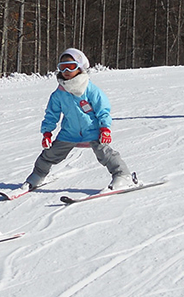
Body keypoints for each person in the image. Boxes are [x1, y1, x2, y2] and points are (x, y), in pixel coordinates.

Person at [20, 48, 134, 192]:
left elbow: (103, 110)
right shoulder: (59, 94)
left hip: (92, 129)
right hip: (70, 132)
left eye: (71, 66)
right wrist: (47, 132)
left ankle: (123, 175)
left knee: (105, 153)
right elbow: (51, 114)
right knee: (50, 154)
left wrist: (105, 128)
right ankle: (38, 175)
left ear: (80, 68)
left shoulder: (90, 89)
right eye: (62, 67)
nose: (66, 70)